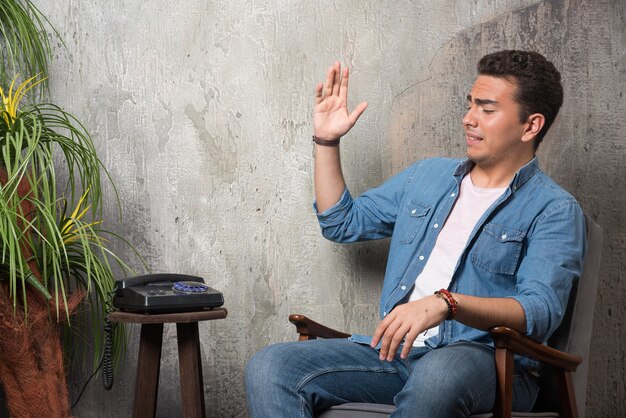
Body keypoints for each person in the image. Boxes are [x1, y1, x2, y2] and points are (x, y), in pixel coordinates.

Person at [245, 50, 587, 417]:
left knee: (439, 376)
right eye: (470, 105)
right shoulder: (427, 177)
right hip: (399, 356)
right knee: (272, 365)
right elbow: (342, 222)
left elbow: (540, 310)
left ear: (530, 126)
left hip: (487, 364)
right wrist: (326, 141)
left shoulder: (554, 210)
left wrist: (445, 303)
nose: (468, 119)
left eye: (487, 110)